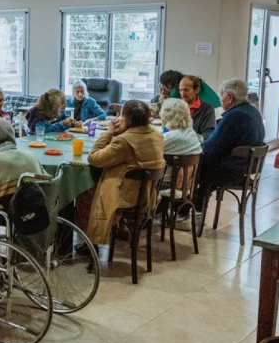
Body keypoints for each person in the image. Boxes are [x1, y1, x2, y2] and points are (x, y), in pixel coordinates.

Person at [77, 100, 165, 246]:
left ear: (127, 119)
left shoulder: (125, 141)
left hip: (126, 195)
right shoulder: (157, 135)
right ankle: (120, 228)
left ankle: (88, 242)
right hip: (148, 193)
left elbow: (94, 158)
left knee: (84, 192)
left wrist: (109, 133)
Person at [194, 79, 265, 211]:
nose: (220, 99)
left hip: (233, 171)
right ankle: (196, 208)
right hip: (248, 168)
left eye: (222, 95)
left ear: (230, 97)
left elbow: (211, 148)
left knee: (193, 168)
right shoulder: (253, 111)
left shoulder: (235, 116)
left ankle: (191, 209)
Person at [152, 70, 222, 110]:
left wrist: (164, 101)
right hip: (219, 109)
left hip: (209, 111)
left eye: (165, 87)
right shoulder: (189, 80)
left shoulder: (176, 90)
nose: (162, 91)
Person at [178, 76, 216, 140]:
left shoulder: (207, 109)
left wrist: (190, 141)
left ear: (197, 90)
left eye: (186, 90)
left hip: (195, 146)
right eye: (180, 90)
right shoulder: (176, 106)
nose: (182, 94)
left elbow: (208, 133)